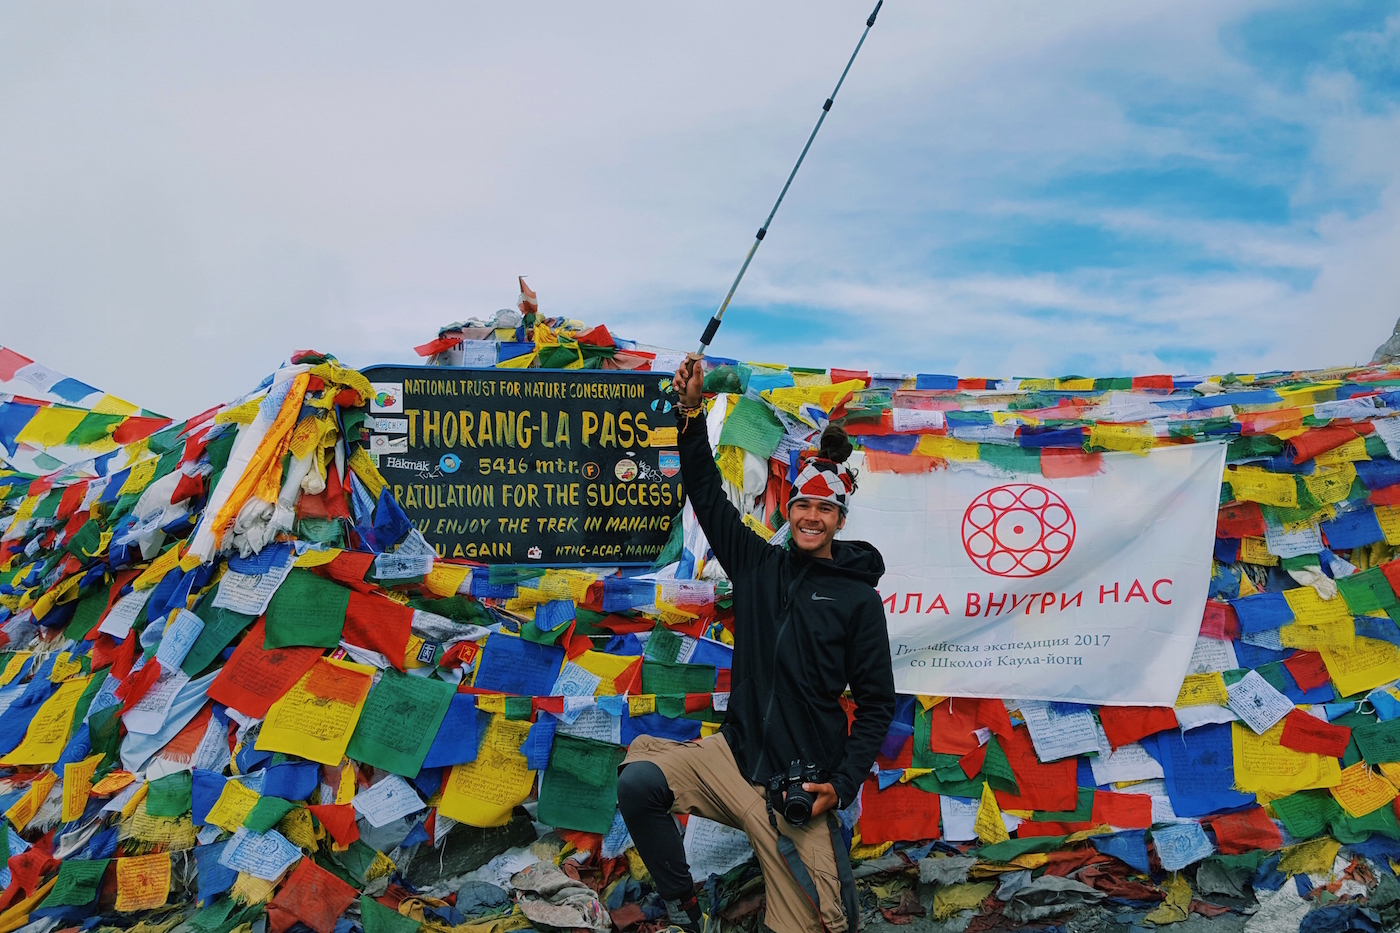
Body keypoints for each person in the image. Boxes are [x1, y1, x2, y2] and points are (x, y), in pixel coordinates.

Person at [617, 357, 896, 933]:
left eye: (825, 508)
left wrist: (840, 787)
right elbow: (705, 492)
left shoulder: (859, 602)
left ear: (840, 519)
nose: (812, 517)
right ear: (789, 511)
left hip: (800, 787)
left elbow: (876, 706)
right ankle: (685, 910)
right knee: (639, 782)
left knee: (829, 924)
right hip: (734, 759)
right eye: (803, 506)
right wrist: (690, 412)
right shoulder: (756, 564)